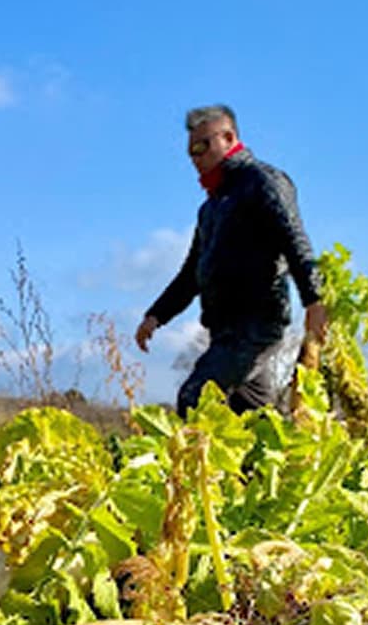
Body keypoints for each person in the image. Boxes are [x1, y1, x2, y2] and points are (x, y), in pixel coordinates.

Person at [135, 104, 328, 417]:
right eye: (191, 152)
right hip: (224, 329)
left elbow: (294, 239)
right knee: (255, 418)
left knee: (195, 399)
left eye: (202, 146)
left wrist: (314, 300)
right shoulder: (210, 208)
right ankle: (281, 462)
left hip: (255, 325)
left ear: (228, 137)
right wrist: (156, 315)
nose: (196, 158)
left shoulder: (263, 181)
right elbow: (191, 274)